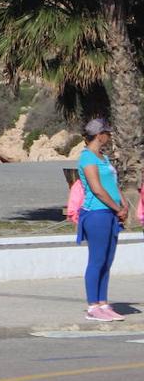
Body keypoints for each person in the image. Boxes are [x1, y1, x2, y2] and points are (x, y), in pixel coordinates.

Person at [76, 118, 128, 321]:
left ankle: (103, 303)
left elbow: (113, 185)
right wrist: (116, 207)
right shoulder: (87, 158)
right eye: (107, 133)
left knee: (107, 260)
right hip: (96, 214)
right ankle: (93, 305)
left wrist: (123, 205)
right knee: (97, 260)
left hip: (111, 214)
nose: (109, 136)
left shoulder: (103, 158)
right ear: (99, 135)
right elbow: (97, 189)